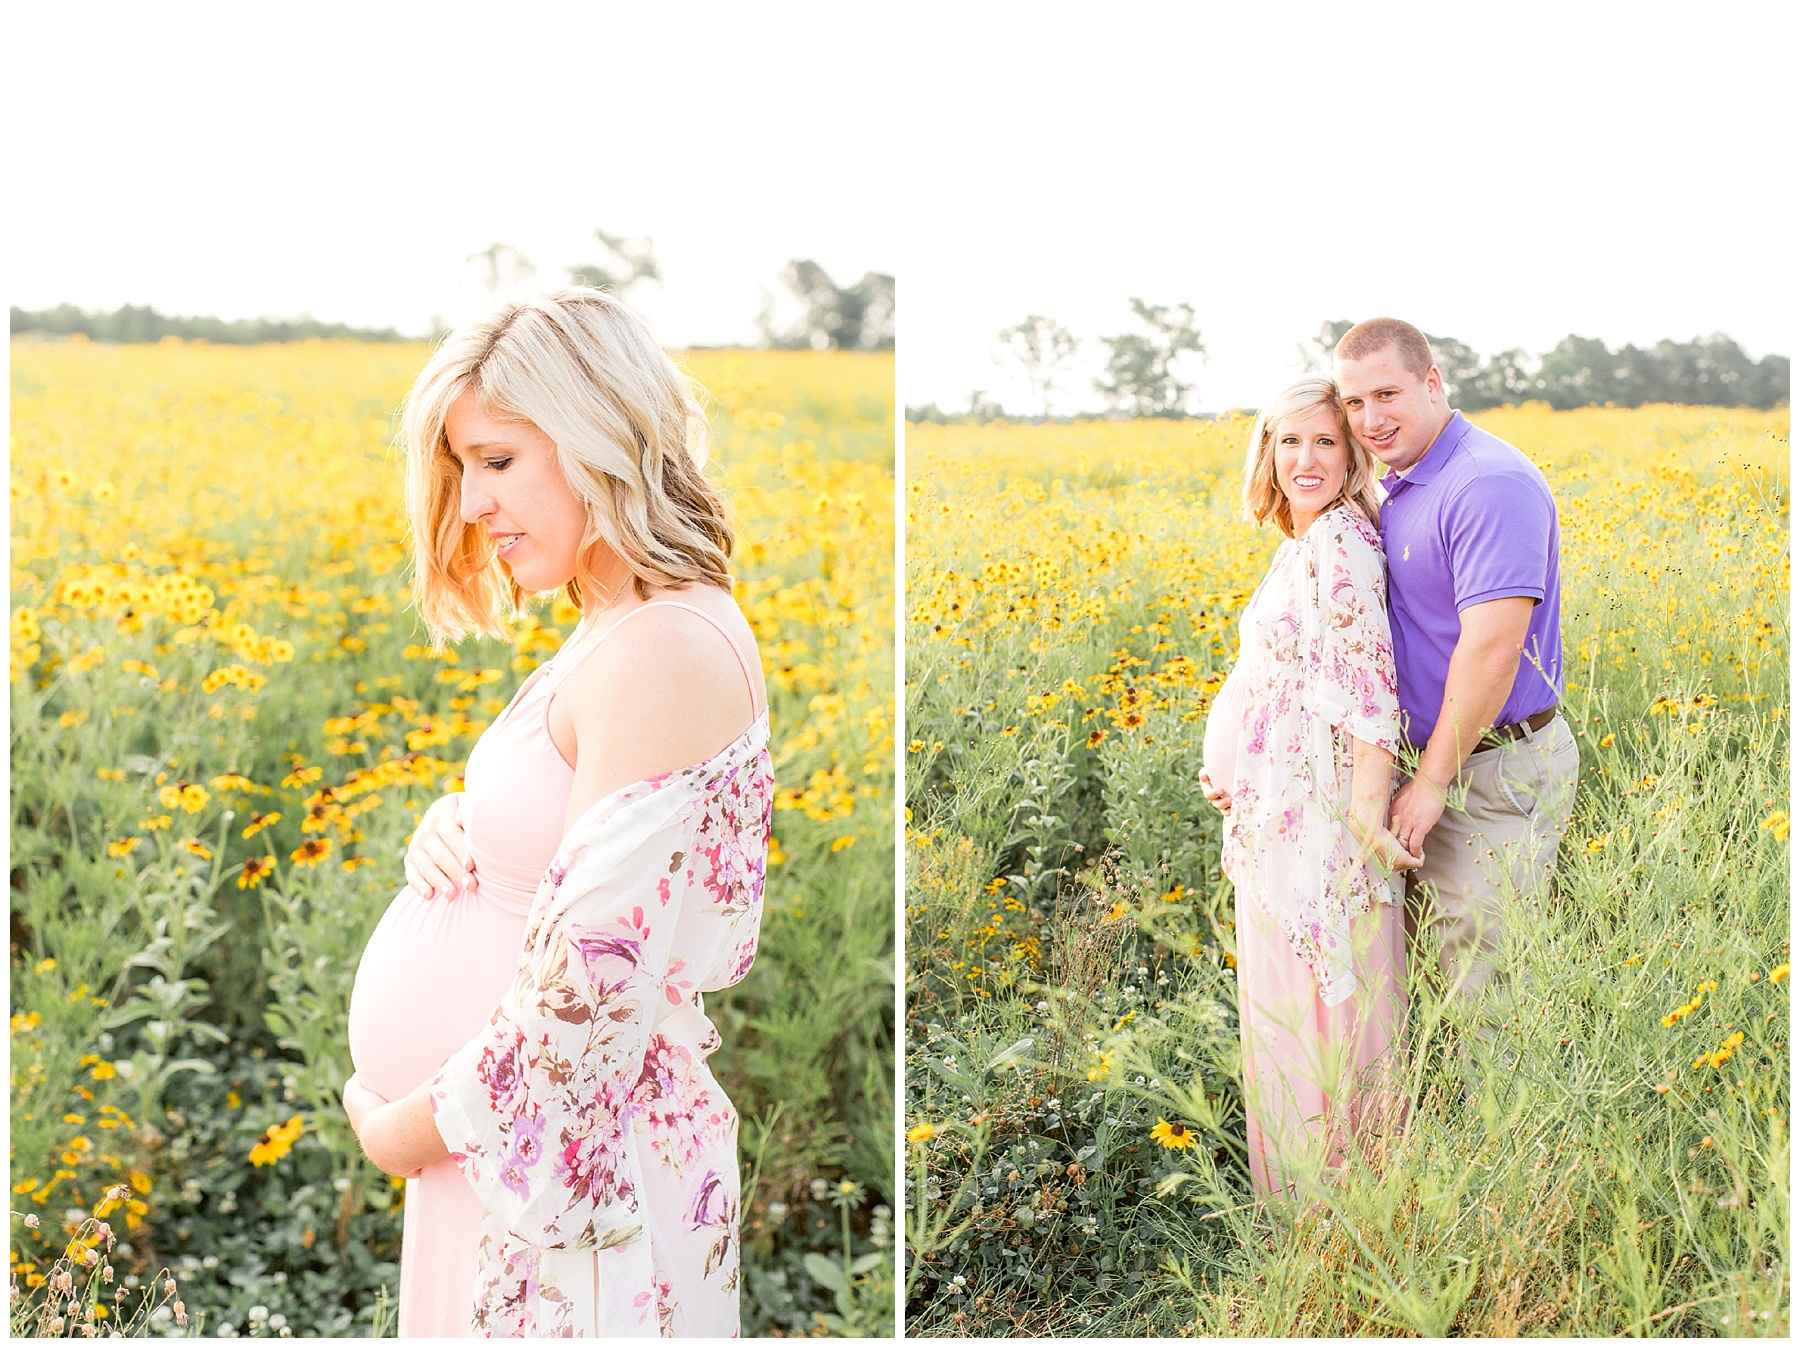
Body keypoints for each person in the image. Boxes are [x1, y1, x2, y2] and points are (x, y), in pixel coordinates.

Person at [340, 288, 773, 1337]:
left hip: (562, 1181)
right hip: (511, 1158)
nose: (474, 504)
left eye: (496, 460)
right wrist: (464, 828)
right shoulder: (618, 627)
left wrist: (396, 1129)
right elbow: (580, 851)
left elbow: (589, 995)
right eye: (461, 471)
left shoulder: (664, 648)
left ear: (599, 437)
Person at [1198, 376, 1420, 1198]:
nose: (1306, 458)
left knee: (1328, 1024)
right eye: (1289, 441)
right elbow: (1270, 683)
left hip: (1320, 832)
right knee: (1293, 1021)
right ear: (1267, 451)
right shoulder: (1303, 542)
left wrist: (1365, 816)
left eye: (1326, 440)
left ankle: (1342, 1219)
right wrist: (1229, 766)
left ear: (1354, 452)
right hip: (1278, 814)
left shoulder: (1339, 544)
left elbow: (1370, 690)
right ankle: (1308, 1216)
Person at [1334, 318, 1577, 1020]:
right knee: (1425, 984)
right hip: (1436, 762)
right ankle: (1443, 1127)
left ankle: (1507, 1131)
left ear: (1433, 384)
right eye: (1354, 404)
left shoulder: (1486, 483)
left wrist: (1433, 780)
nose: (1371, 420)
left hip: (1491, 773)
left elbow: (1493, 648)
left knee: (1487, 990)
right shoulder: (1406, 480)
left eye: (1388, 394)